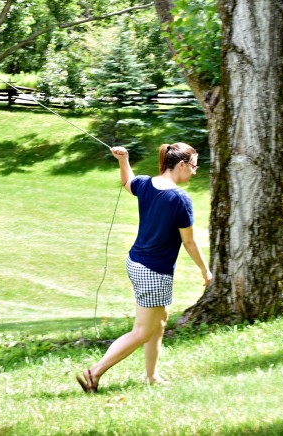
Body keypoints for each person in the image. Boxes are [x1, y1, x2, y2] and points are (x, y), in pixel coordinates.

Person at [77, 143, 212, 393]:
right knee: (142, 331)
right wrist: (205, 270)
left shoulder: (147, 184)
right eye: (194, 166)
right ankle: (94, 372)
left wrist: (123, 160)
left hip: (137, 262)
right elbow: (189, 241)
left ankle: (152, 377)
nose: (195, 171)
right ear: (181, 165)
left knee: (159, 321)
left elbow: (127, 182)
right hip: (154, 270)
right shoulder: (180, 199)